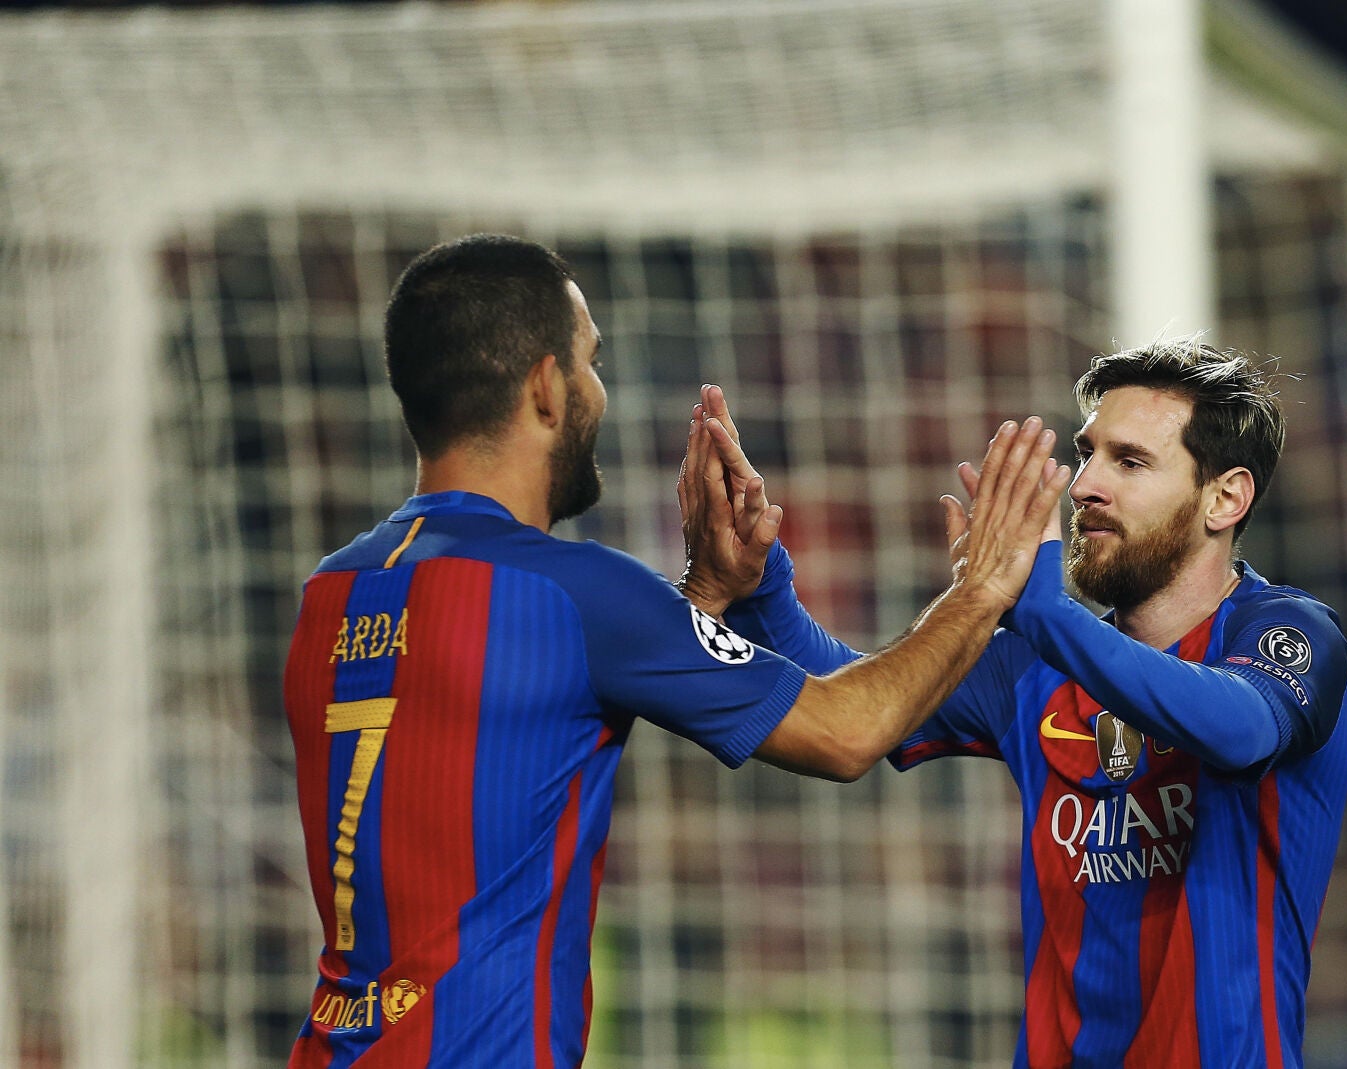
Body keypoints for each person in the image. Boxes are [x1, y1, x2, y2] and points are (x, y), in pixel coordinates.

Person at [280, 234, 1066, 1067]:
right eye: (591, 360)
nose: (599, 390)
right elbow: (848, 731)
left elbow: (521, 731)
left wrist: (706, 598)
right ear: (547, 388)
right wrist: (983, 586)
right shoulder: (579, 593)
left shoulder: (328, 595)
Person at [681, 341, 1347, 1068]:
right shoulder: (1035, 668)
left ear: (1225, 498)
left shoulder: (1290, 635)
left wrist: (1040, 611)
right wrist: (762, 588)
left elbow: (1243, 729)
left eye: (1129, 462)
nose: (1086, 484)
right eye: (1086, 452)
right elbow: (849, 701)